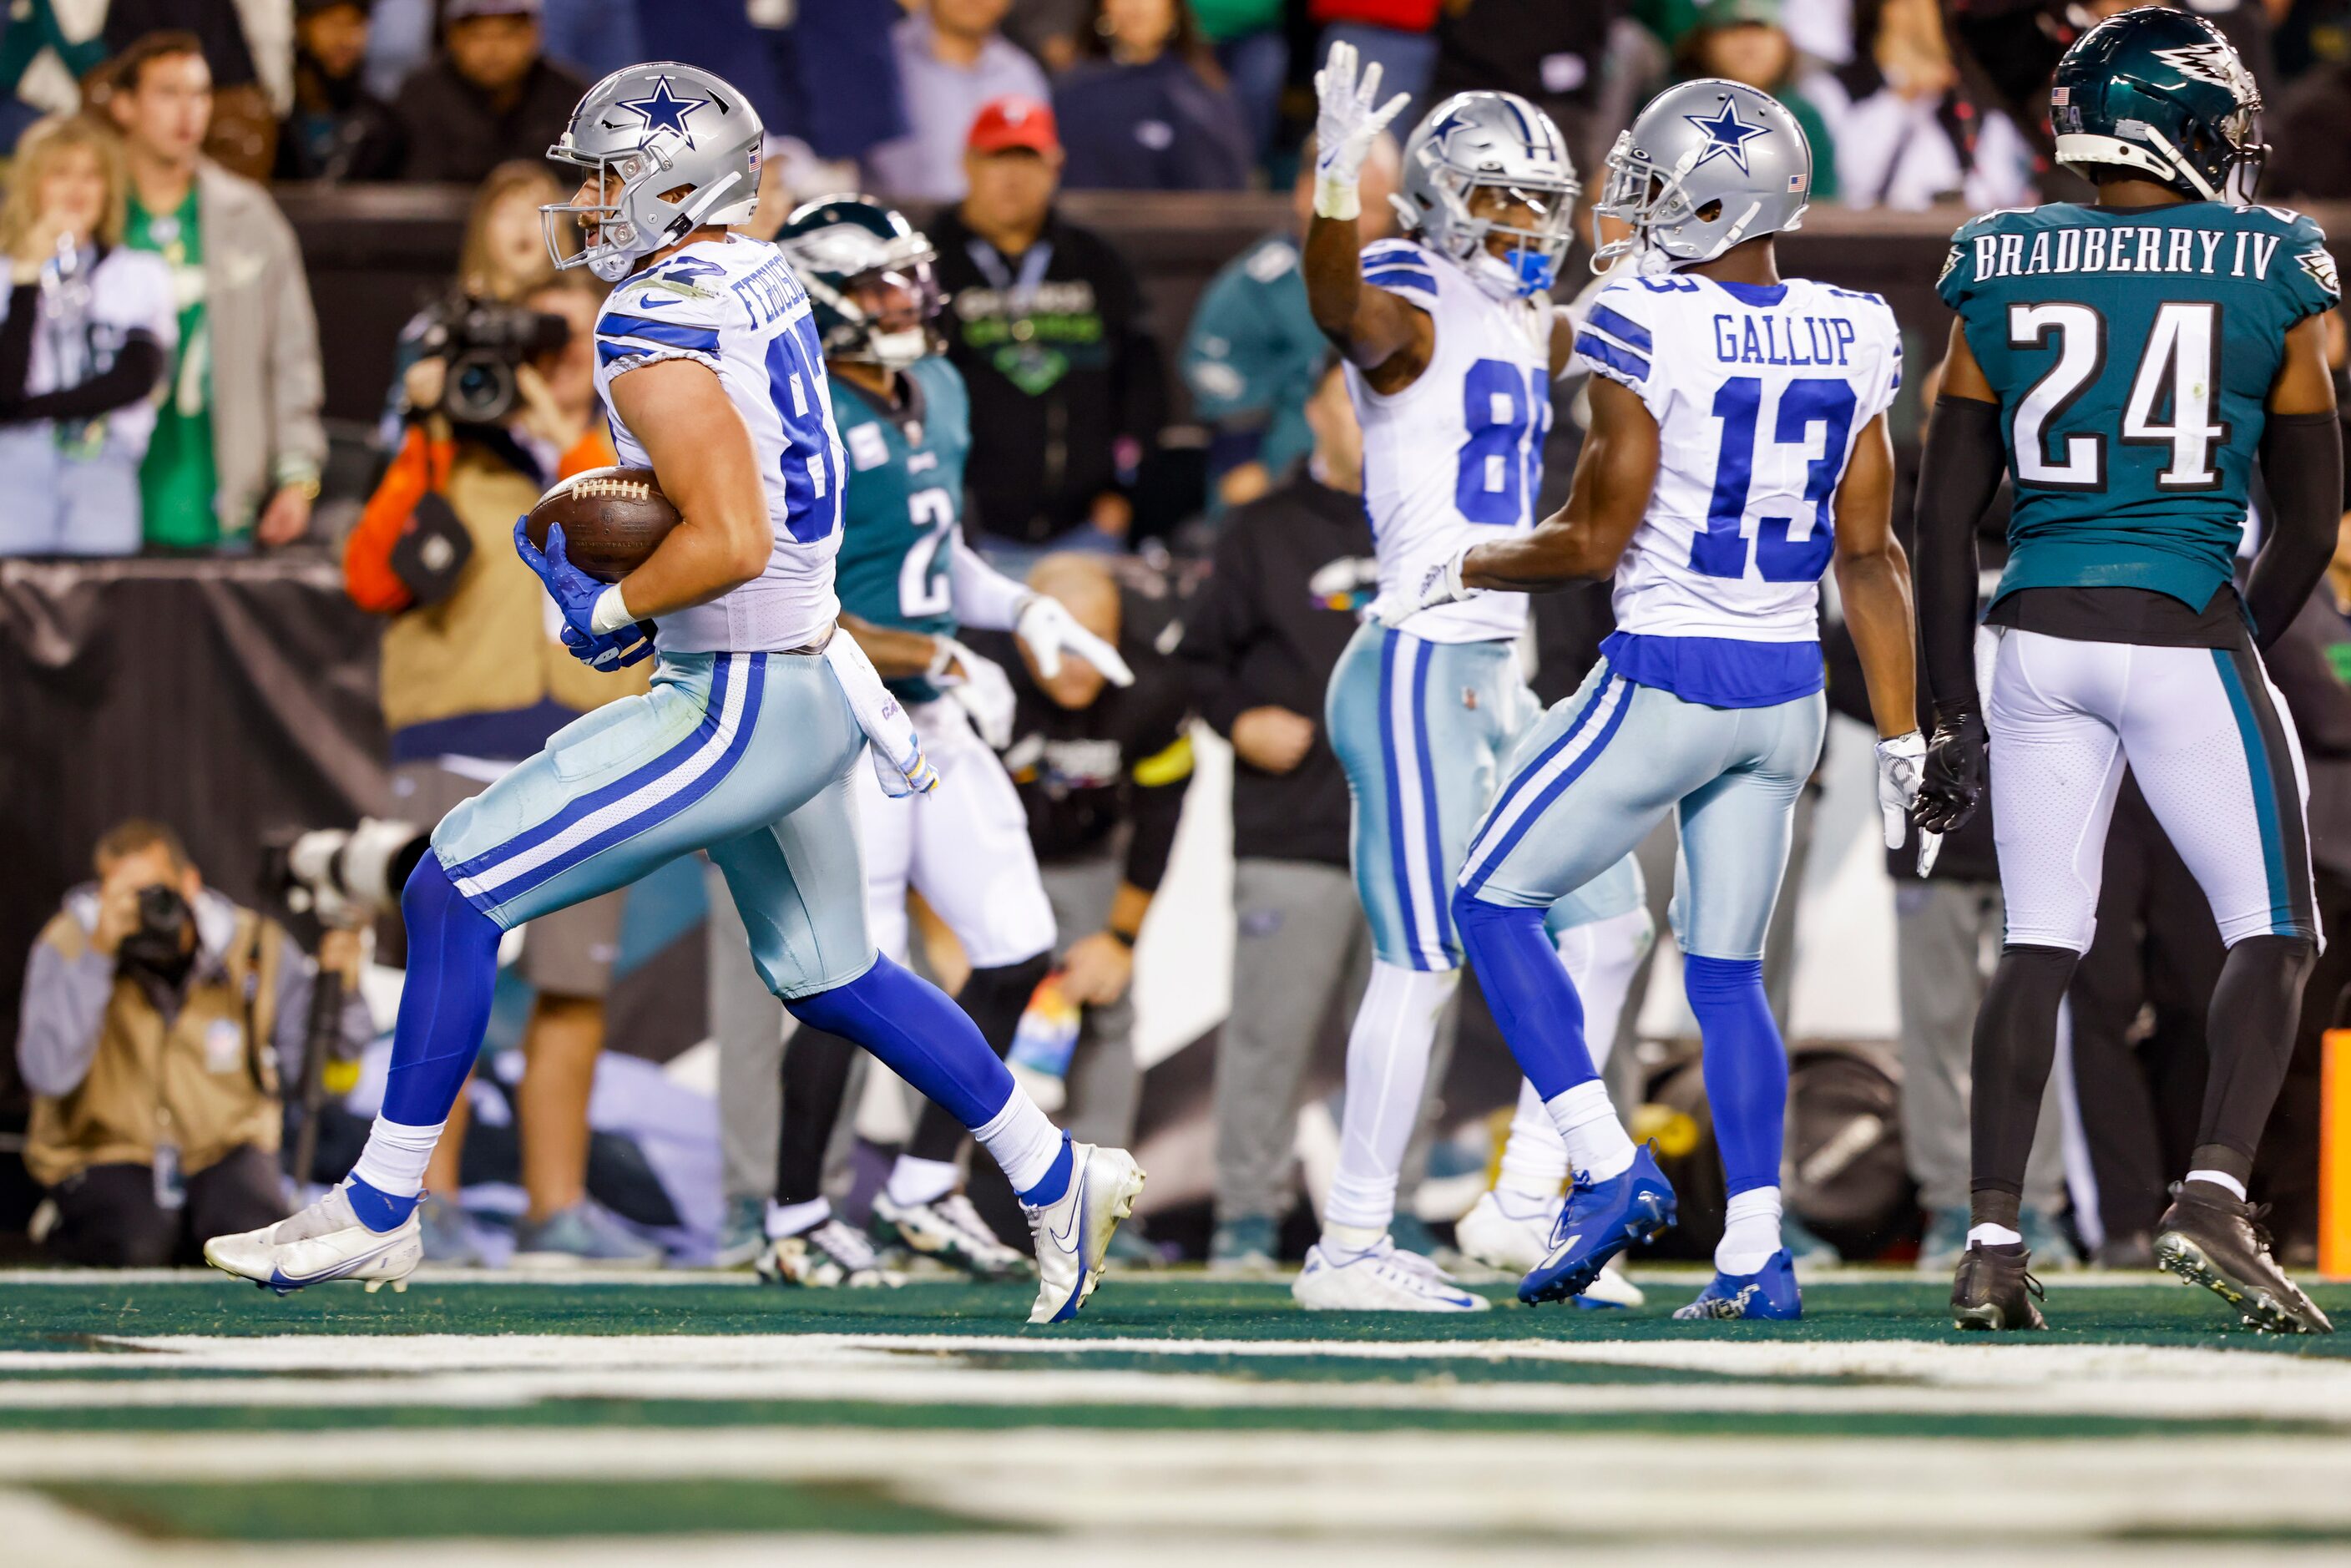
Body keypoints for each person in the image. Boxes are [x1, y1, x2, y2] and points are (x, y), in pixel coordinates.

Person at [205, 63, 1144, 1325]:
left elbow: (734, 534)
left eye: (606, 173)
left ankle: (376, 1209)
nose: (587, 199)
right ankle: (1053, 1169)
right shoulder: (756, 271)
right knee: (831, 970)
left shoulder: (656, 315)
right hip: (803, 672)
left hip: (743, 688)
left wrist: (607, 604)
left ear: (674, 178)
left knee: (451, 881)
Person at [1420, 78, 1917, 1322]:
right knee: (1728, 975)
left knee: (1488, 897)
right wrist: (1904, 733)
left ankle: (1602, 1164)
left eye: (1651, 180)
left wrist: (1467, 558)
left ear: (1710, 193)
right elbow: (1871, 552)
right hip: (1789, 690)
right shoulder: (1853, 325)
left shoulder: (1644, 314)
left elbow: (1594, 535)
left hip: (1671, 672)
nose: (1629, 205)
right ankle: (1758, 1252)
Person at [1912, 9, 2342, 1335]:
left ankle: (1991, 1243)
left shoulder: (1998, 254)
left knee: (2038, 940)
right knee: (2275, 931)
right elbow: (2315, 511)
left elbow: (1938, 517)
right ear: (2175, 124)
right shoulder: (2272, 257)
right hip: (2178, 627)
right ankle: (2210, 1195)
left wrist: (1945, 708)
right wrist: (2238, 648)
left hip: (2029, 636)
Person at [1291, 49, 1648, 1313]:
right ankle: (1349, 1241)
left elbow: (1618, 334)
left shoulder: (1513, 307)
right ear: (1444, 201)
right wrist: (1338, 187)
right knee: (1423, 957)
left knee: (1609, 920)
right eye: (1503, 202)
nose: (1530, 226)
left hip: (1500, 672)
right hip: (1416, 661)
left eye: (1541, 203)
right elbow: (1343, 308)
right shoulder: (1407, 286)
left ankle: (1523, 1202)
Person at [747, 194, 1134, 1288]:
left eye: (912, 278)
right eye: (881, 285)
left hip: (926, 713)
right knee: (844, 969)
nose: (910, 301)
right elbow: (794, 595)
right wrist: (939, 655)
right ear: (826, 301)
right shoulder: (798, 410)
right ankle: (796, 1211)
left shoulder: (941, 389)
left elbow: (937, 549)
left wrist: (1019, 613)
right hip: (833, 717)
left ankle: (924, 1186)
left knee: (1015, 944)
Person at [341, 267, 663, 1269]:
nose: (561, 364)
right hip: (456, 733)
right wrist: (430, 437)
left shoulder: (625, 454)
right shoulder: (450, 457)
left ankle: (553, 1206)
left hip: (591, 741)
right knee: (442, 968)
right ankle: (421, 1205)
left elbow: (625, 541)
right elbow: (367, 573)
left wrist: (554, 439)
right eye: (545, 346)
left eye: (577, 345)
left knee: (572, 987)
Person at [1176, 359, 1377, 1270]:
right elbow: (1194, 662)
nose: (1369, 415)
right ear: (1312, 411)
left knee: (1407, 1039)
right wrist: (1238, 720)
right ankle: (1245, 1218)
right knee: (1266, 1038)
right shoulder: (1261, 529)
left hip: (1410, 835)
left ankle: (1391, 1214)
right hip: (1290, 829)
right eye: (1350, 395)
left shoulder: (1440, 526)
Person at [17, 821, 372, 1266]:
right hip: (104, 1146)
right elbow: (48, 1074)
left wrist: (344, 994)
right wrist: (97, 956)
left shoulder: (255, 947)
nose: (144, 912)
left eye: (155, 894)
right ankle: (65, 1221)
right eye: (126, 896)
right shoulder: (69, 943)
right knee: (134, 1243)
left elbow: (319, 1082)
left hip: (225, 1145)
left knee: (257, 1248)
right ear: (101, 895)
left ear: (190, 883)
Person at [99, 32, 326, 552]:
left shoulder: (250, 216)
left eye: (200, 94)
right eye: (168, 93)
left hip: (221, 497)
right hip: (96, 496)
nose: (189, 112)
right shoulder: (94, 212)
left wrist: (297, 477)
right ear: (124, 105)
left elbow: (292, 354)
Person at [927, 96, 1164, 556]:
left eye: (1028, 160)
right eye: (998, 159)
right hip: (963, 529)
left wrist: (1126, 492)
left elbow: (1142, 380)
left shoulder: (1097, 261)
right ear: (968, 164)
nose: (1013, 178)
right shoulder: (927, 263)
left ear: (1055, 166)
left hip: (1085, 527)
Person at [1181, 129, 1398, 513]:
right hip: (1283, 496)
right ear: (1305, 193)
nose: (1361, 225)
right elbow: (1225, 395)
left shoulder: (1409, 288)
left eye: (1377, 208)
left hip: (1393, 496)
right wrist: (1250, 483)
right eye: (1351, 204)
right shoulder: (1257, 287)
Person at [0, 112, 174, 557]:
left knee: (102, 603)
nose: (76, 190)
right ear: (33, 184)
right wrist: (24, 280)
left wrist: (30, 410)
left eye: (92, 176)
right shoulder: (5, 276)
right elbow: (3, 387)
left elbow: (135, 379)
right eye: (60, 174)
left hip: (103, 458)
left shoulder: (138, 273)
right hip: (14, 463)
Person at [863, 0, 1051, 204]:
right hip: (889, 223)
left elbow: (1040, 171)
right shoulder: (881, 61)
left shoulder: (1022, 75)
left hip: (987, 231)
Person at [1051, 0, 1251, 193]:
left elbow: (1221, 192)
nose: (1136, 5)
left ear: (1173, 9)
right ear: (1102, 7)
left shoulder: (1204, 95)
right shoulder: (1072, 94)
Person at [392, 0, 585, 185]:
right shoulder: (420, 96)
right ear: (453, 38)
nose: (493, 50)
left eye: (507, 34)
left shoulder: (572, 98)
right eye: (478, 35)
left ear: (533, 35)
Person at [1677, 0, 1841, 203]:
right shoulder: (1672, 110)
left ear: (1784, 41)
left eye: (1761, 30)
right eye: (1733, 30)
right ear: (1704, 41)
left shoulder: (1805, 118)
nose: (1749, 44)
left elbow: (1823, 209)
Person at [276, 0, 405, 182]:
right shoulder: (273, 120)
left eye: (356, 23)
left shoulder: (385, 127)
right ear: (301, 26)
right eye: (333, 23)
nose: (346, 40)